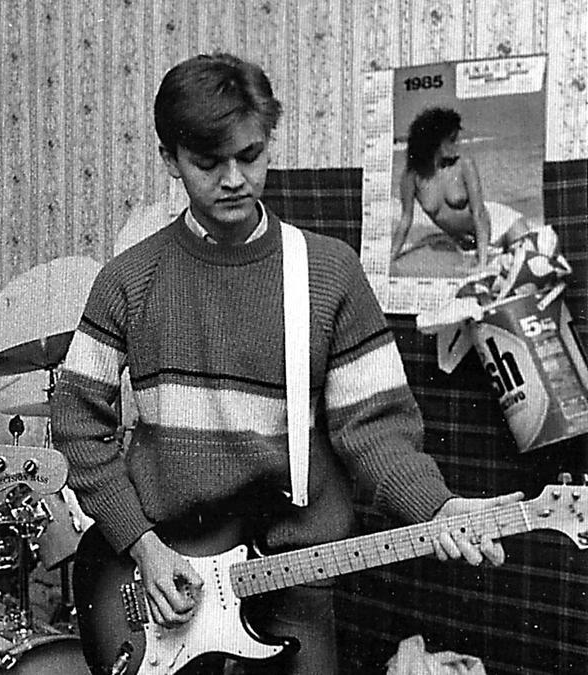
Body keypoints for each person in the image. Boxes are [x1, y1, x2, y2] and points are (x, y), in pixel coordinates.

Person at [51, 53, 523, 675]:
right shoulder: (129, 280)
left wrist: (436, 508)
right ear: (169, 159)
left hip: (297, 581)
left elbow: (376, 428)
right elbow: (77, 420)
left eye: (249, 156)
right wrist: (142, 545)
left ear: (269, 143)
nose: (233, 180)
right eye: (206, 162)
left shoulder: (326, 272)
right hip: (170, 579)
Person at [392, 107, 494, 267]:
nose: (458, 144)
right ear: (434, 142)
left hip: (493, 230)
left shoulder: (464, 164)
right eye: (452, 139)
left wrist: (482, 263)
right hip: (464, 243)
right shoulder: (411, 176)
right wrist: (391, 257)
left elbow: (479, 213)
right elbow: (405, 220)